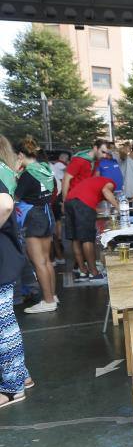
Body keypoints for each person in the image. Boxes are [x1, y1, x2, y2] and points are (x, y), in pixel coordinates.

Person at [0, 134, 32, 409]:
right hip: (7, 254)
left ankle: (12, 388)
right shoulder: (6, 172)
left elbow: (5, 205)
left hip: (2, 257)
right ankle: (22, 375)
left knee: (3, 325)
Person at [14, 137, 58, 314]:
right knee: (47, 260)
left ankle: (47, 301)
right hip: (47, 214)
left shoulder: (27, 174)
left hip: (33, 217)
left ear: (20, 155)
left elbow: (15, 197)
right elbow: (55, 190)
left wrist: (16, 173)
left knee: (38, 262)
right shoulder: (45, 169)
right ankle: (52, 296)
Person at [65, 176, 119, 281]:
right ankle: (94, 273)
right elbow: (106, 191)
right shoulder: (110, 182)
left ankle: (83, 271)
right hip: (82, 203)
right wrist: (118, 207)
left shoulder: (94, 183)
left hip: (69, 201)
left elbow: (92, 205)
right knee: (87, 238)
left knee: (75, 238)